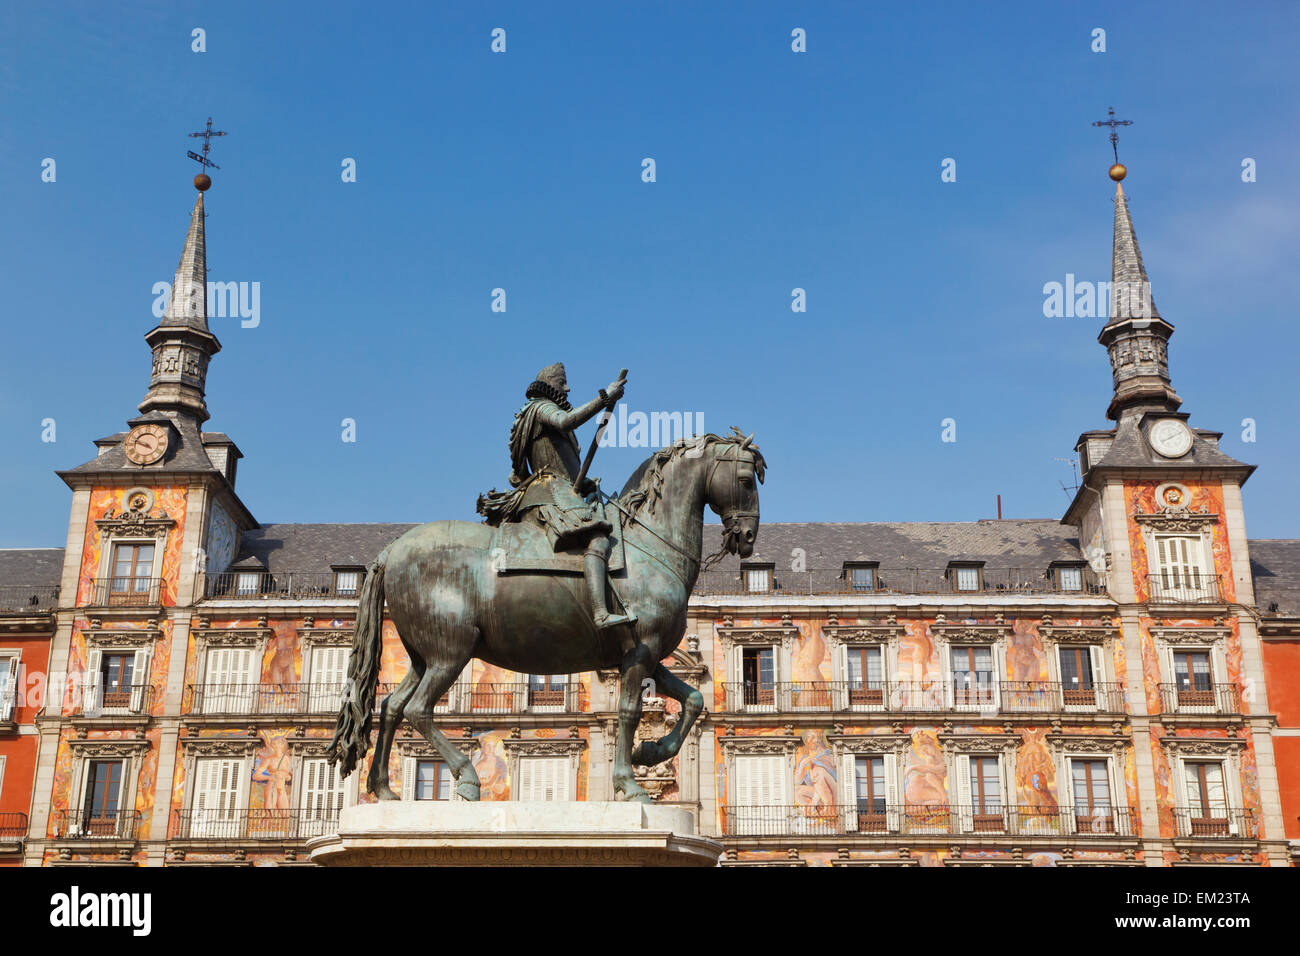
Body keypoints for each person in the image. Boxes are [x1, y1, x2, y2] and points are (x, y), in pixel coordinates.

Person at [479, 362, 635, 631]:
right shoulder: (540, 408)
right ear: (551, 385)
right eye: (563, 383)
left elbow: (563, 464)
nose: (568, 387)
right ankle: (600, 612)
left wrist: (583, 482)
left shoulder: (542, 413)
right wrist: (605, 397)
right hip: (549, 493)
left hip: (560, 489)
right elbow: (567, 420)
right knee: (597, 536)